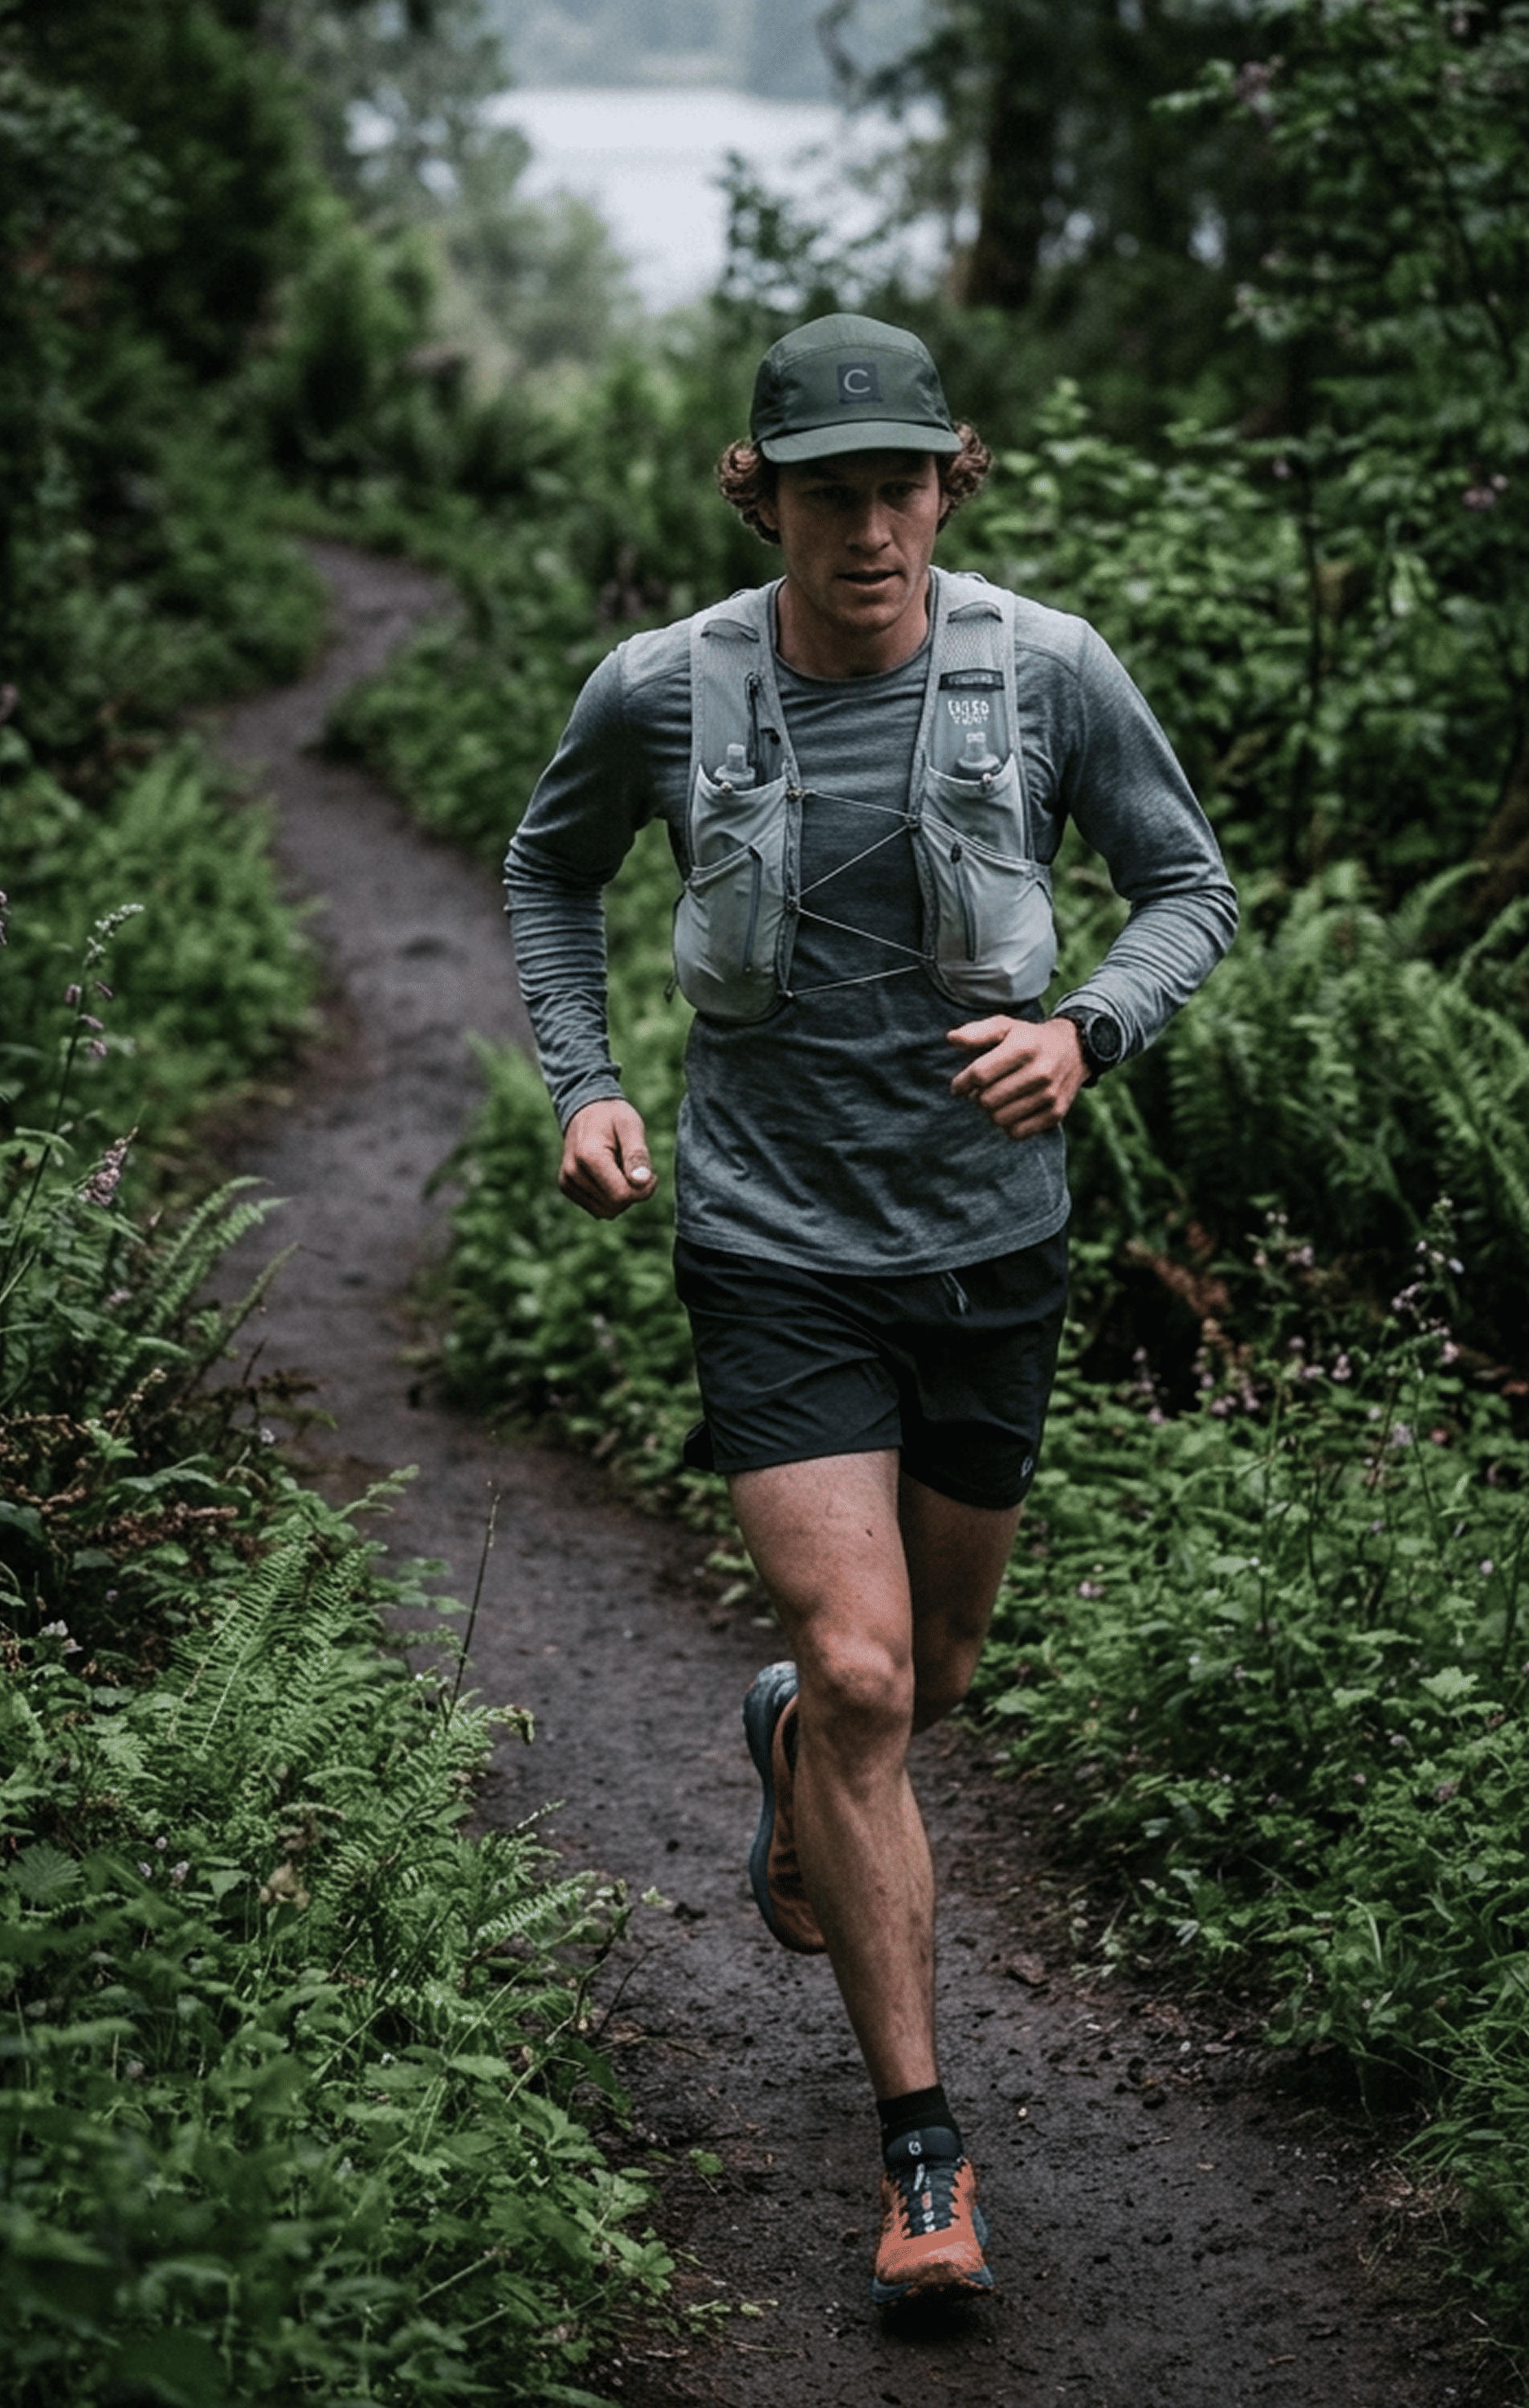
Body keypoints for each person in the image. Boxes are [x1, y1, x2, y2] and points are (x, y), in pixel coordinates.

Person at [505, 312, 1237, 2307]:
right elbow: (549, 870)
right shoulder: (663, 686)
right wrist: (584, 1083)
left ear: (947, 483)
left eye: (901, 487)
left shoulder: (1048, 669)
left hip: (989, 1250)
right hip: (771, 1245)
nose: (870, 530)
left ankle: (795, 1755)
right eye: (828, 494)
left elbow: (1188, 887)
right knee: (861, 1667)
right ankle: (924, 2155)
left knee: (934, 1674)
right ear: (761, 497)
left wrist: (1085, 1030)